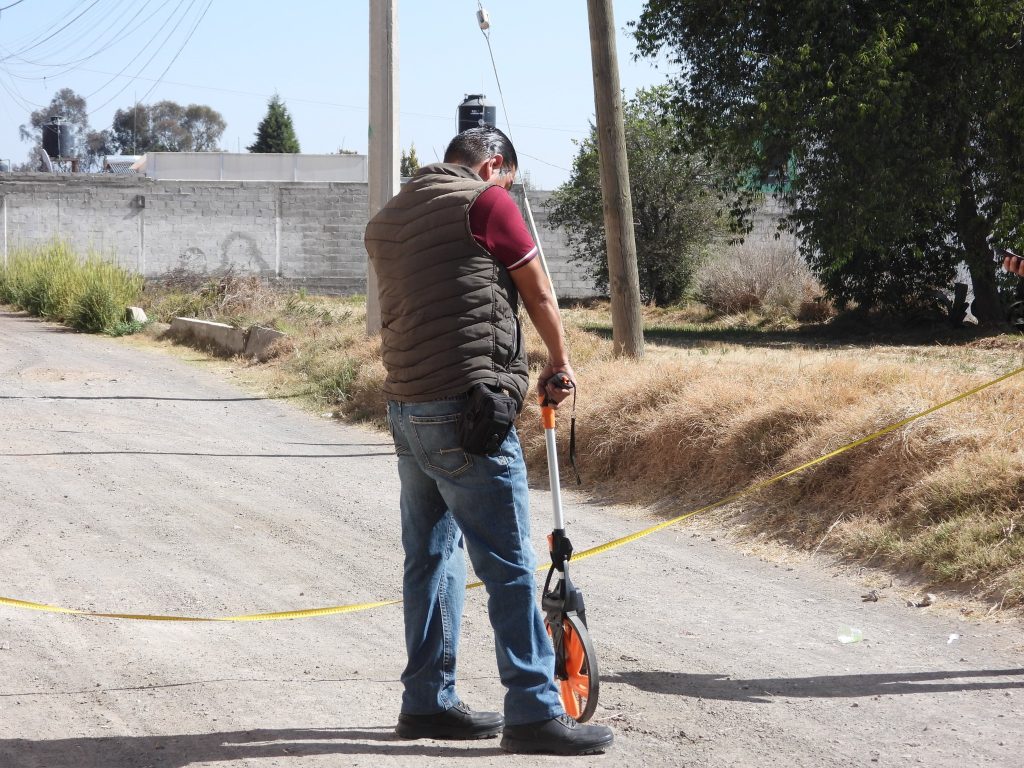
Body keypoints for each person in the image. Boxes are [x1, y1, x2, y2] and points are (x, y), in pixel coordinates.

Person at [363, 126, 614, 756]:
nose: (506, 188)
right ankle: (533, 710)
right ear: (492, 166)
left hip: (407, 408)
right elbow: (539, 290)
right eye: (506, 178)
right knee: (507, 565)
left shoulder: (390, 216)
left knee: (429, 558)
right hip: (468, 411)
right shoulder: (487, 202)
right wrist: (560, 362)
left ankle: (427, 701)